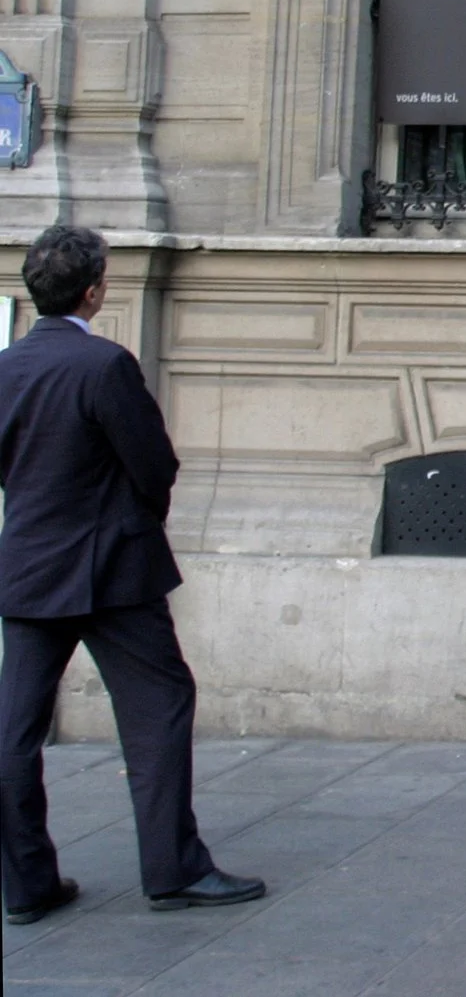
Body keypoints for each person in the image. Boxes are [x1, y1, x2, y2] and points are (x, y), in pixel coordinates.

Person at [0, 226, 264, 923]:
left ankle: (26, 883)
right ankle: (172, 868)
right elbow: (154, 465)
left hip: (29, 568)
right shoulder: (105, 366)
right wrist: (133, 518)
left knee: (13, 731)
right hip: (115, 570)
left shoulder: (6, 368)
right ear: (95, 290)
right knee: (157, 709)